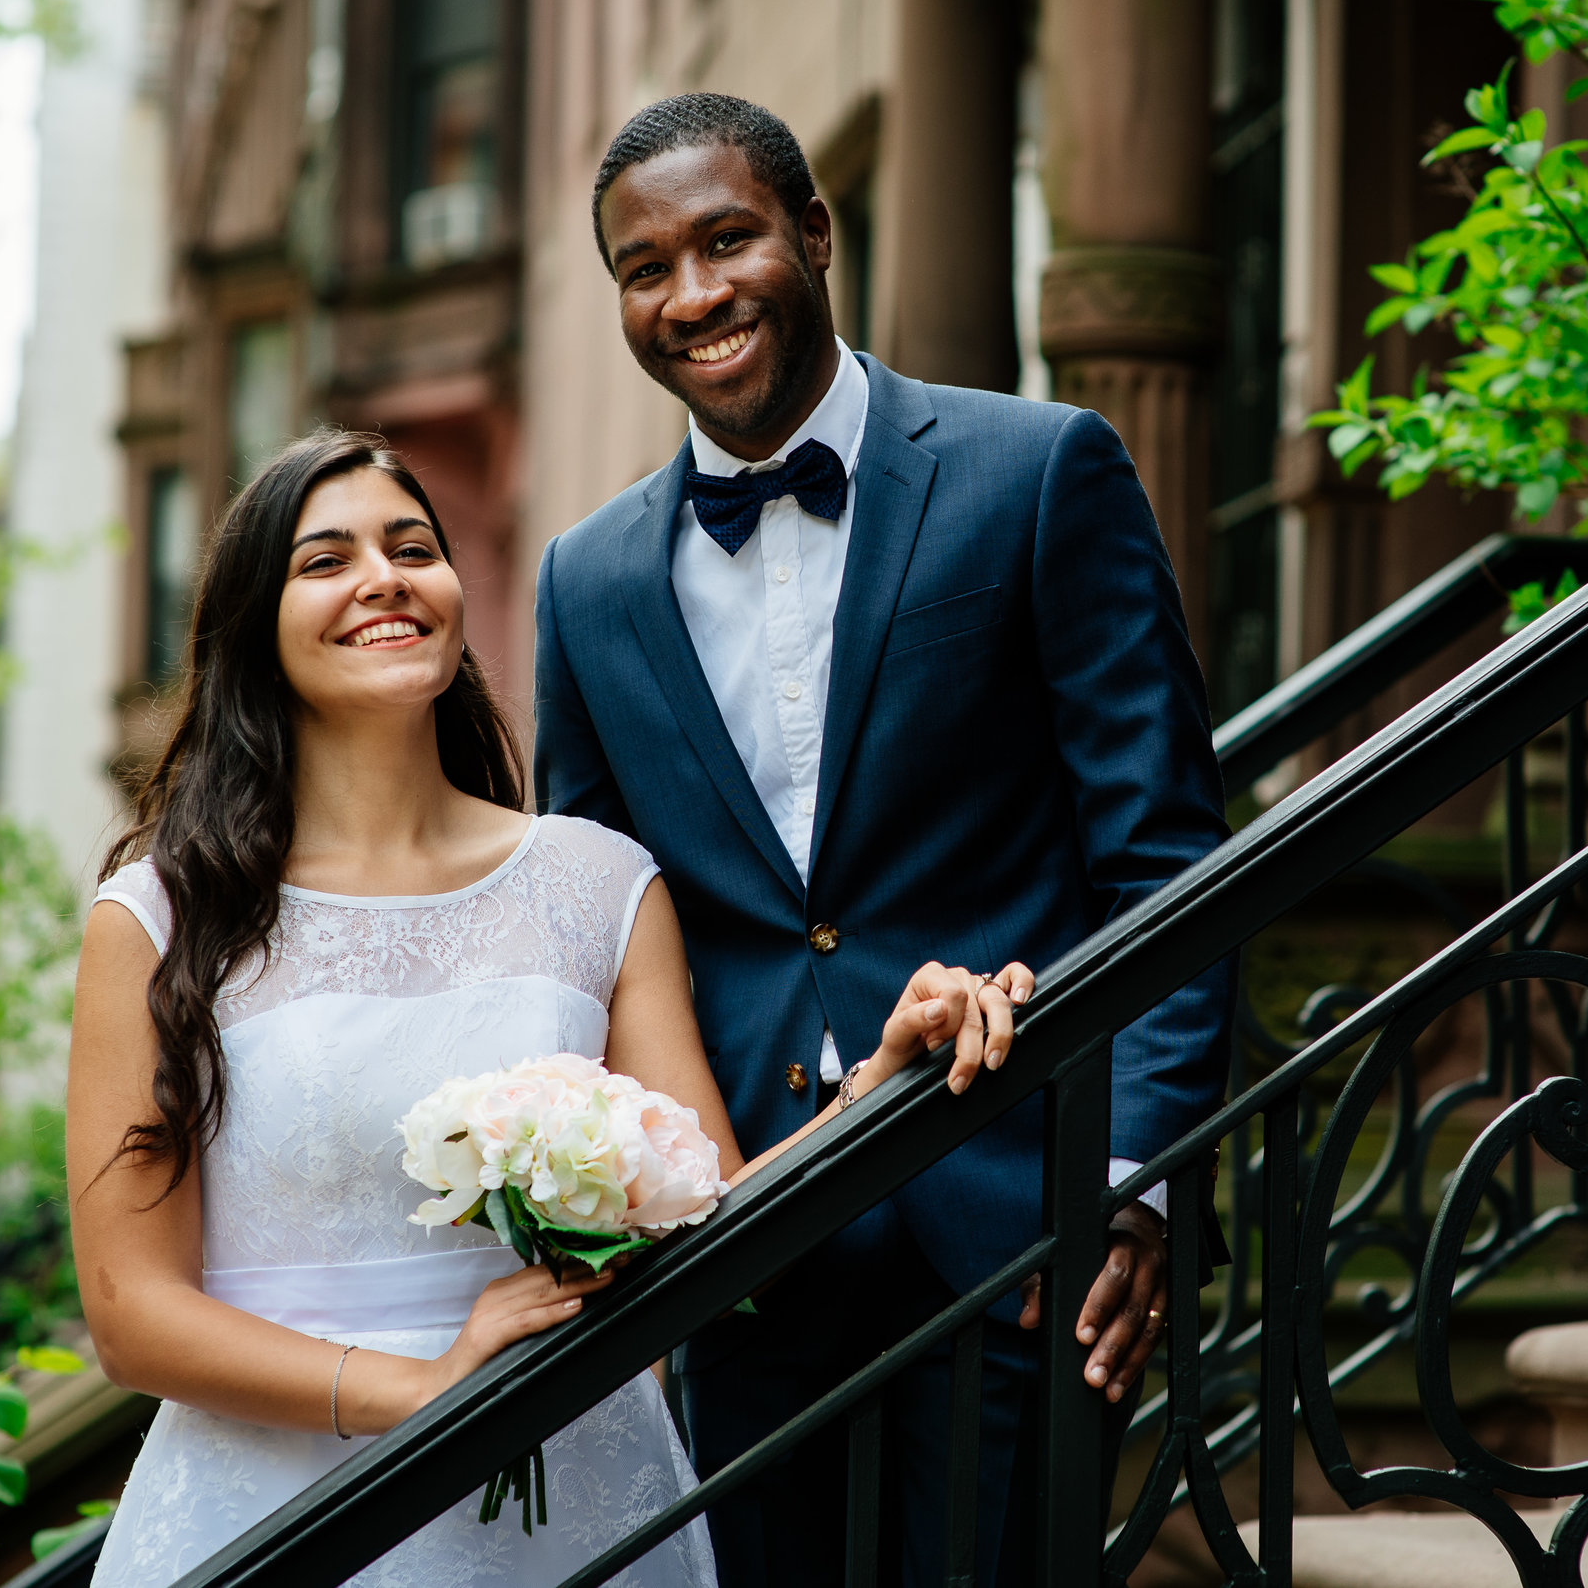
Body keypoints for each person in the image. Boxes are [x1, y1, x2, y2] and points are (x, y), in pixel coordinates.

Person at [67, 430, 1029, 1588]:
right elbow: (130, 1310)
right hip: (272, 1516)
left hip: (576, 1504)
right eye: (325, 560)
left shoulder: (596, 883)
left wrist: (877, 1078)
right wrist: (425, 1394)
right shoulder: (161, 916)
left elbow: (714, 1232)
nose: (382, 576)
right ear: (249, 632)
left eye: (411, 546)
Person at [533, 94, 1233, 1588]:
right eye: (645, 268)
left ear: (816, 233)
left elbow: (1165, 857)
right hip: (747, 1260)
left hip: (1026, 1236)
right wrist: (632, 1224)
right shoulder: (584, 583)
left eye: (727, 239)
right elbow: (587, 934)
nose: (694, 293)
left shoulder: (1041, 471)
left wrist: (1135, 1178)